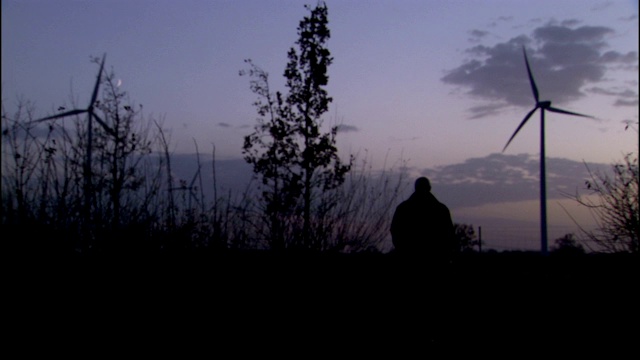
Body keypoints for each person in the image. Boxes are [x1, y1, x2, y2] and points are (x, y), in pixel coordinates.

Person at [390, 177, 457, 260]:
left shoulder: (403, 208)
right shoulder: (441, 209)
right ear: (429, 188)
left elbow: (395, 231)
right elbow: (449, 234)